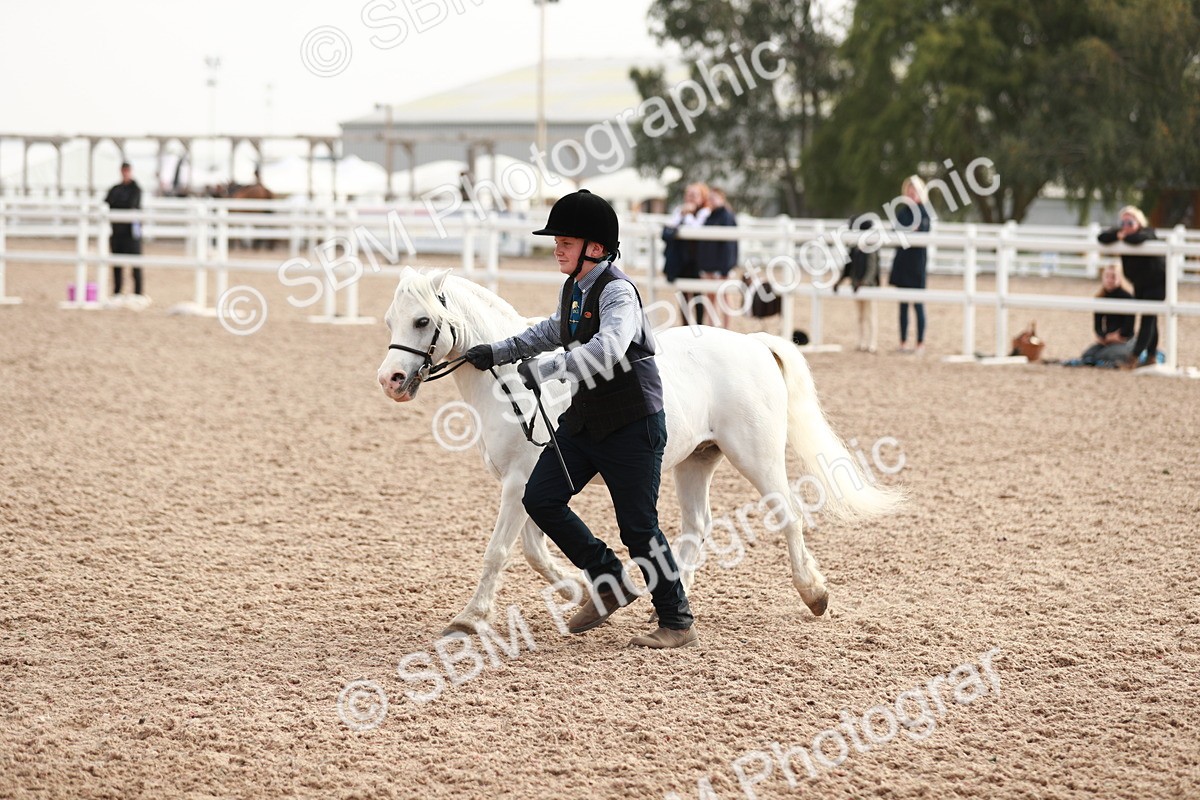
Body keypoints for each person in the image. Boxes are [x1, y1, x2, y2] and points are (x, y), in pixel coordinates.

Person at [462, 189, 697, 650]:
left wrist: (548, 368)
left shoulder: (618, 293)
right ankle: (609, 578)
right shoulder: (574, 288)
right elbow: (553, 331)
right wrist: (498, 351)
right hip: (586, 420)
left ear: (595, 247)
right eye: (558, 241)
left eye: (565, 241)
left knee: (638, 527)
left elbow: (608, 349)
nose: (557, 248)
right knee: (541, 497)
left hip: (633, 424)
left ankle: (676, 620)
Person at [1097, 205, 1166, 368]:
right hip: (1140, 283)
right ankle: (1151, 356)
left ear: (1139, 222)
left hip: (1156, 282)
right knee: (1151, 319)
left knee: (1147, 318)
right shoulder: (1122, 233)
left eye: (1129, 222)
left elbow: (1138, 239)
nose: (1125, 226)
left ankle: (1133, 357)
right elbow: (1102, 237)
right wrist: (1120, 234)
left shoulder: (1148, 233)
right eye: (1123, 223)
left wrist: (1121, 237)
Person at [888, 175, 931, 354]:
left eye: (915, 190)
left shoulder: (924, 212)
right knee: (903, 305)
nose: (912, 193)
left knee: (918, 304)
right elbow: (896, 231)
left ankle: (920, 343)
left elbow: (923, 230)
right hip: (903, 263)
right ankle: (903, 342)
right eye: (909, 190)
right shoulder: (903, 212)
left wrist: (909, 231)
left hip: (917, 264)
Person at [662, 182, 710, 325]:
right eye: (689, 195)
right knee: (683, 294)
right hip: (682, 258)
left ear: (702, 197)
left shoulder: (705, 212)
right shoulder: (680, 210)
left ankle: (700, 324)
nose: (691, 198)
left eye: (695, 195)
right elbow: (671, 225)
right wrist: (684, 213)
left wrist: (688, 214)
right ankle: (685, 325)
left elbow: (695, 228)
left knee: (698, 294)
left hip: (697, 259)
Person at [1071, 263, 1135, 367]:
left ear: (1120, 278)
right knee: (1088, 354)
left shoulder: (1128, 298)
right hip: (1108, 340)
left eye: (1113, 276)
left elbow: (1129, 326)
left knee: (1108, 355)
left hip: (1124, 340)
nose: (1109, 280)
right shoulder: (1100, 298)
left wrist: (1118, 335)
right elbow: (1097, 325)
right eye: (1107, 276)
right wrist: (1104, 336)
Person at [834, 214, 880, 353]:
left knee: (870, 314)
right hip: (856, 285)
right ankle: (861, 341)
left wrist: (865, 282)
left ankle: (872, 342)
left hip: (868, 286)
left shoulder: (871, 245)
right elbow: (848, 267)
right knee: (860, 315)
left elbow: (872, 267)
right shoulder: (854, 248)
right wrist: (839, 281)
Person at [695, 187, 739, 327]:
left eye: (714, 197)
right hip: (709, 264)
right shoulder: (710, 215)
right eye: (710, 197)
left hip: (722, 265)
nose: (712, 200)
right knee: (710, 296)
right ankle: (711, 326)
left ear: (722, 198)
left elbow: (730, 245)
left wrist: (726, 267)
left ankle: (726, 327)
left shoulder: (727, 216)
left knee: (725, 295)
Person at [104, 162, 143, 297]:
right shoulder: (115, 188)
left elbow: (131, 205)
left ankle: (138, 292)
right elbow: (107, 203)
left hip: (131, 232)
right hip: (117, 231)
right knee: (116, 264)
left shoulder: (136, 189)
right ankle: (117, 291)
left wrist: (117, 205)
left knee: (136, 264)